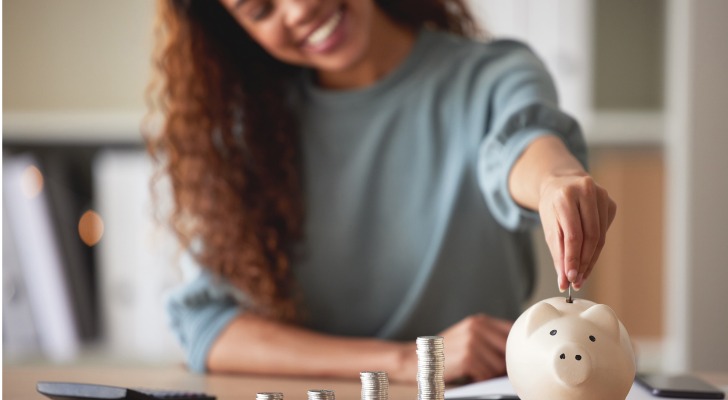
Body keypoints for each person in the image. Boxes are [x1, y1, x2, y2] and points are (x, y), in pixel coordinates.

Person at [146, 0, 616, 384]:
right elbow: (208, 328)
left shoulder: (492, 75)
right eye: (260, 9)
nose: (296, 11)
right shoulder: (245, 131)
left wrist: (555, 180)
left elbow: (524, 145)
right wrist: (409, 361)